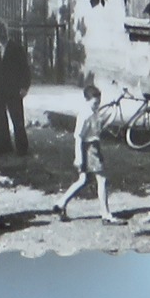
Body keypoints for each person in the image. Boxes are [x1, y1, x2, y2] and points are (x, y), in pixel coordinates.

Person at [55, 83, 125, 225]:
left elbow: (100, 125)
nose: (97, 105)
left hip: (93, 146)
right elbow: (78, 136)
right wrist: (79, 156)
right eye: (95, 103)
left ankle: (60, 204)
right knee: (102, 180)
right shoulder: (85, 114)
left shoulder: (93, 112)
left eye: (98, 102)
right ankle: (105, 214)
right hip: (89, 148)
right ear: (87, 100)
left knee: (83, 180)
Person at [0, 24, 31, 155]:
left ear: (6, 33)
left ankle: (22, 146)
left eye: (2, 31)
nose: (0, 34)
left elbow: (25, 69)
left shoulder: (17, 48)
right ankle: (4, 145)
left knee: (17, 118)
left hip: (13, 89)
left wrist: (24, 87)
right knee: (0, 119)